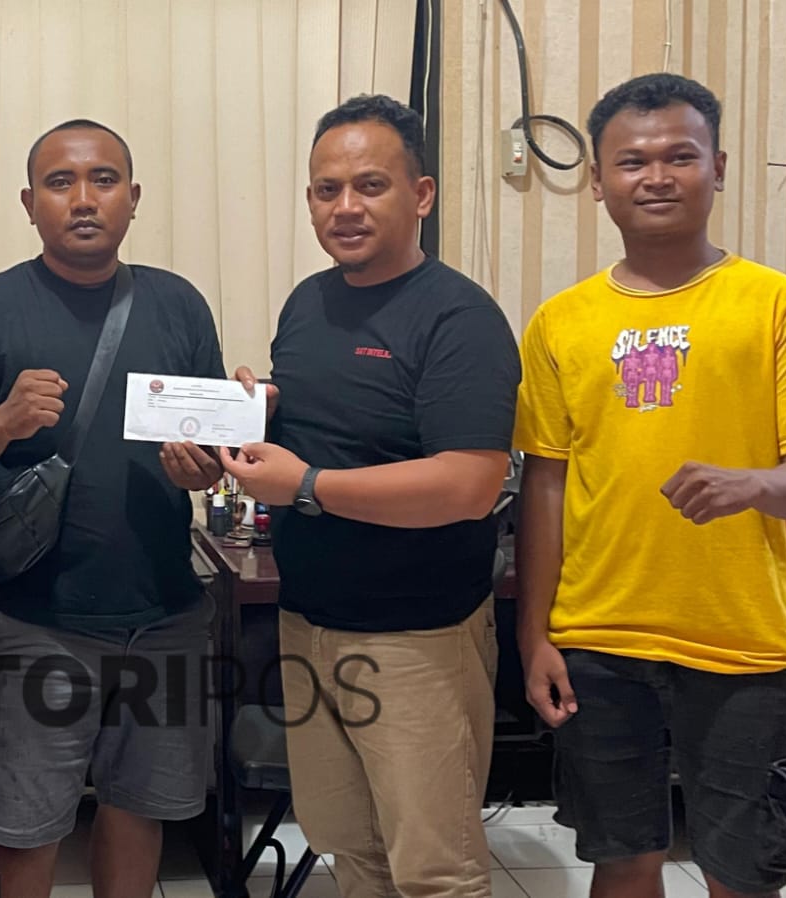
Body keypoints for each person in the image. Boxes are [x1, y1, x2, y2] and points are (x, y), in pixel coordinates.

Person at [515, 73, 786, 898]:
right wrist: (535, 636)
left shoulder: (780, 308)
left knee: (742, 870)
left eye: (680, 156)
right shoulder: (560, 323)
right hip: (600, 641)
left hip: (745, 643)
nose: (656, 176)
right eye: (632, 161)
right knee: (620, 859)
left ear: (717, 167)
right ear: (598, 181)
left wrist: (756, 484)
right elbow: (545, 487)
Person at [0, 119, 224, 898]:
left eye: (103, 180)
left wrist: (207, 465)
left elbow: (210, 450)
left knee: (140, 810)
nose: (84, 198)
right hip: (39, 618)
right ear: (29, 203)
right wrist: (1, 423)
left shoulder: (179, 304)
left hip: (166, 613)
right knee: (25, 828)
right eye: (60, 182)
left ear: (133, 197)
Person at [221, 94, 520, 898]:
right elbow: (337, 416)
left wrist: (305, 486)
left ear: (421, 194)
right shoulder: (308, 302)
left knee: (435, 871)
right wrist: (265, 407)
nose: (345, 207)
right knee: (349, 849)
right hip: (308, 624)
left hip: (417, 638)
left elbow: (469, 483)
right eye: (327, 189)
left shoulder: (460, 317)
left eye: (369, 185)